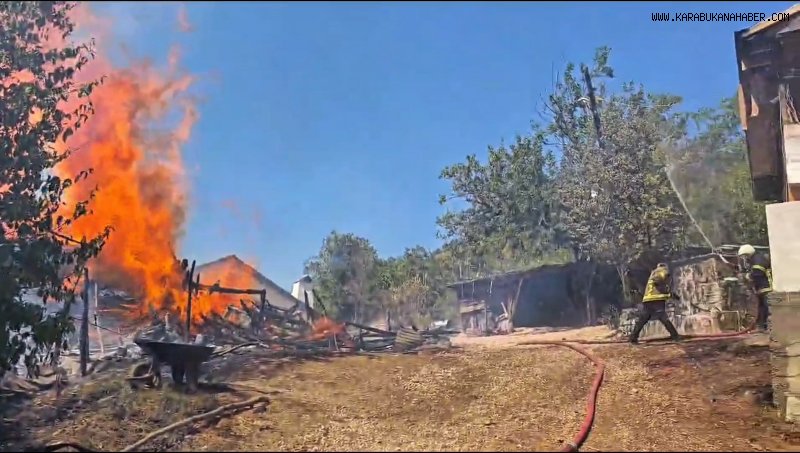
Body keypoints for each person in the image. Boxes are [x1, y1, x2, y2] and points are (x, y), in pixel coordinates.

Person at [629, 263, 681, 344]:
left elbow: (658, 285)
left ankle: (633, 337)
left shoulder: (653, 272)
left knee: (643, 319)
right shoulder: (662, 271)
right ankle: (675, 336)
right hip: (657, 299)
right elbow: (659, 279)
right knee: (663, 317)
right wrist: (669, 294)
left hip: (647, 299)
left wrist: (669, 293)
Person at [737, 244, 773, 331]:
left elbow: (757, 273)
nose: (744, 258)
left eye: (745, 256)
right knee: (762, 309)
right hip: (761, 289)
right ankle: (762, 327)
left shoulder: (758, 260)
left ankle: (769, 328)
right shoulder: (755, 259)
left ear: (748, 254)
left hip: (766, 288)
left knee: (767, 309)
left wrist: (747, 276)